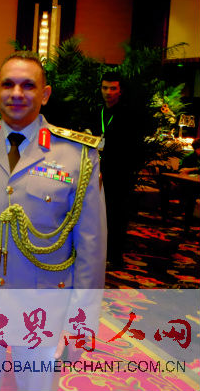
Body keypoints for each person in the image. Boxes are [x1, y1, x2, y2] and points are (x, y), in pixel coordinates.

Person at [0, 51, 106, 391]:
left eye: (28, 86)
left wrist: (81, 322)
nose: (16, 93)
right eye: (8, 85)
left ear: (45, 94)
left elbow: (91, 248)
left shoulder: (77, 154)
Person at [89, 70, 135, 266]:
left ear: (120, 90)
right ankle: (100, 253)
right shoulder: (96, 112)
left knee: (116, 215)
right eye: (105, 88)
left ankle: (115, 257)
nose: (108, 92)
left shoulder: (128, 115)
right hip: (97, 170)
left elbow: (131, 146)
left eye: (113, 88)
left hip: (119, 172)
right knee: (98, 213)